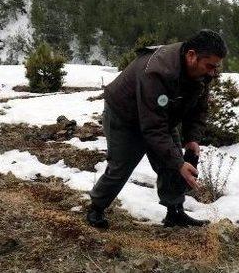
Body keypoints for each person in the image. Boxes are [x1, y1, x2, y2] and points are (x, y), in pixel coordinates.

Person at [87, 30, 227, 228]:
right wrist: (179, 163)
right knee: (121, 165)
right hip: (124, 115)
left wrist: (192, 139)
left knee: (172, 162)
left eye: (216, 66)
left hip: (160, 115)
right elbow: (152, 128)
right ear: (191, 56)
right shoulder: (157, 71)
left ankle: (175, 213)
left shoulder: (202, 73)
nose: (213, 72)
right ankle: (96, 208)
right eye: (210, 66)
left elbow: (198, 109)